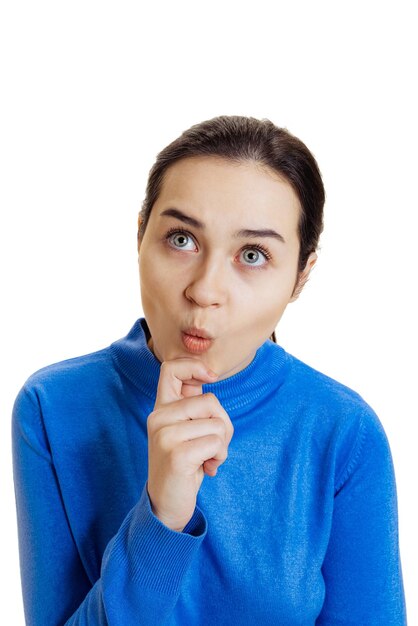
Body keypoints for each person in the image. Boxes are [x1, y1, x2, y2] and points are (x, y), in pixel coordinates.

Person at [12, 115, 407, 625]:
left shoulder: (343, 432)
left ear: (300, 276)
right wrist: (162, 518)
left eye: (252, 254)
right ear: (140, 234)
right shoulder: (53, 408)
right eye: (181, 239)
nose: (204, 290)